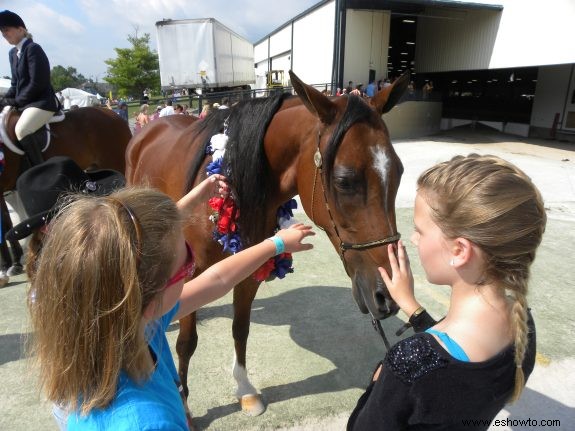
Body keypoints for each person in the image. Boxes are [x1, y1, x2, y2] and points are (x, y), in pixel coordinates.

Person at [26, 174, 314, 429]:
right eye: (189, 263)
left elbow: (212, 277)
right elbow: (211, 279)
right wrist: (274, 244)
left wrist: (274, 243)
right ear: (152, 299)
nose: (193, 266)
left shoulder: (116, 318)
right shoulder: (149, 424)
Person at [348, 154, 546, 430]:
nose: (414, 239)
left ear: (459, 251)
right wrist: (412, 307)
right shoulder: (523, 323)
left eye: (420, 230)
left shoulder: (409, 364)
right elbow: (455, 363)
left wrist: (377, 383)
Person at [0, 10, 61, 166]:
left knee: (22, 129)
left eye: (6, 30)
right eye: (2, 31)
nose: (4, 34)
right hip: (26, 103)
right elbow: (15, 84)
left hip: (42, 102)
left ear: (21, 29)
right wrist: (4, 100)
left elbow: (37, 83)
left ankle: (41, 171)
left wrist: (15, 101)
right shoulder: (12, 53)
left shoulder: (33, 49)